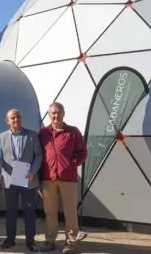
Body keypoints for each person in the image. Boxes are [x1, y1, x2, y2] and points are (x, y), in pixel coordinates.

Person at [39, 102, 87, 254]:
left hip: (68, 178)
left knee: (70, 211)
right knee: (50, 212)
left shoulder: (73, 132)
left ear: (63, 114)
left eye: (59, 112)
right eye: (53, 113)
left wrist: (72, 164)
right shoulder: (43, 133)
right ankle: (50, 241)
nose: (56, 115)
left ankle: (71, 244)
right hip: (48, 178)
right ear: (49, 114)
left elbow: (82, 152)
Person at [0, 109, 42, 251]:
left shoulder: (32, 136)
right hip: (10, 180)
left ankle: (30, 241)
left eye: (18, 117)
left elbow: (39, 155)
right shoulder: (2, 137)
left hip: (28, 179)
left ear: (21, 119)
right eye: (13, 118)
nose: (16, 120)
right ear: (7, 121)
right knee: (11, 211)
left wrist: (33, 171)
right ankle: (10, 239)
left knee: (29, 210)